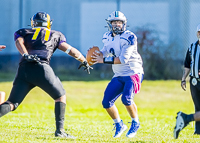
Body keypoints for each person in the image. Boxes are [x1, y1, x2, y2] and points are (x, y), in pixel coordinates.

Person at [0, 12, 92, 139]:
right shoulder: (56, 34)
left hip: (24, 69)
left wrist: (26, 54)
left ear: (33, 22)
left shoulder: (23, 32)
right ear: (49, 23)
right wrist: (84, 60)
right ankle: (60, 131)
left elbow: (19, 42)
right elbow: (70, 50)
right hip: (42, 68)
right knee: (60, 96)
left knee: (12, 103)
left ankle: (60, 132)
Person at [92, 11, 144, 138]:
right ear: (109, 24)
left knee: (126, 99)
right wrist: (94, 58)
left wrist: (102, 60)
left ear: (124, 24)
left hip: (133, 72)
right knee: (106, 102)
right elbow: (105, 50)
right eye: (114, 22)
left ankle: (135, 122)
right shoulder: (107, 36)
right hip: (119, 73)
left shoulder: (129, 37)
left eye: (119, 22)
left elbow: (122, 59)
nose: (117, 25)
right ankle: (119, 124)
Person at [174, 24, 200, 139]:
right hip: (194, 81)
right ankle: (197, 131)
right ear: (197, 33)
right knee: (198, 106)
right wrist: (184, 78)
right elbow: (187, 64)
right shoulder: (192, 47)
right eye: (199, 32)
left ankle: (186, 118)